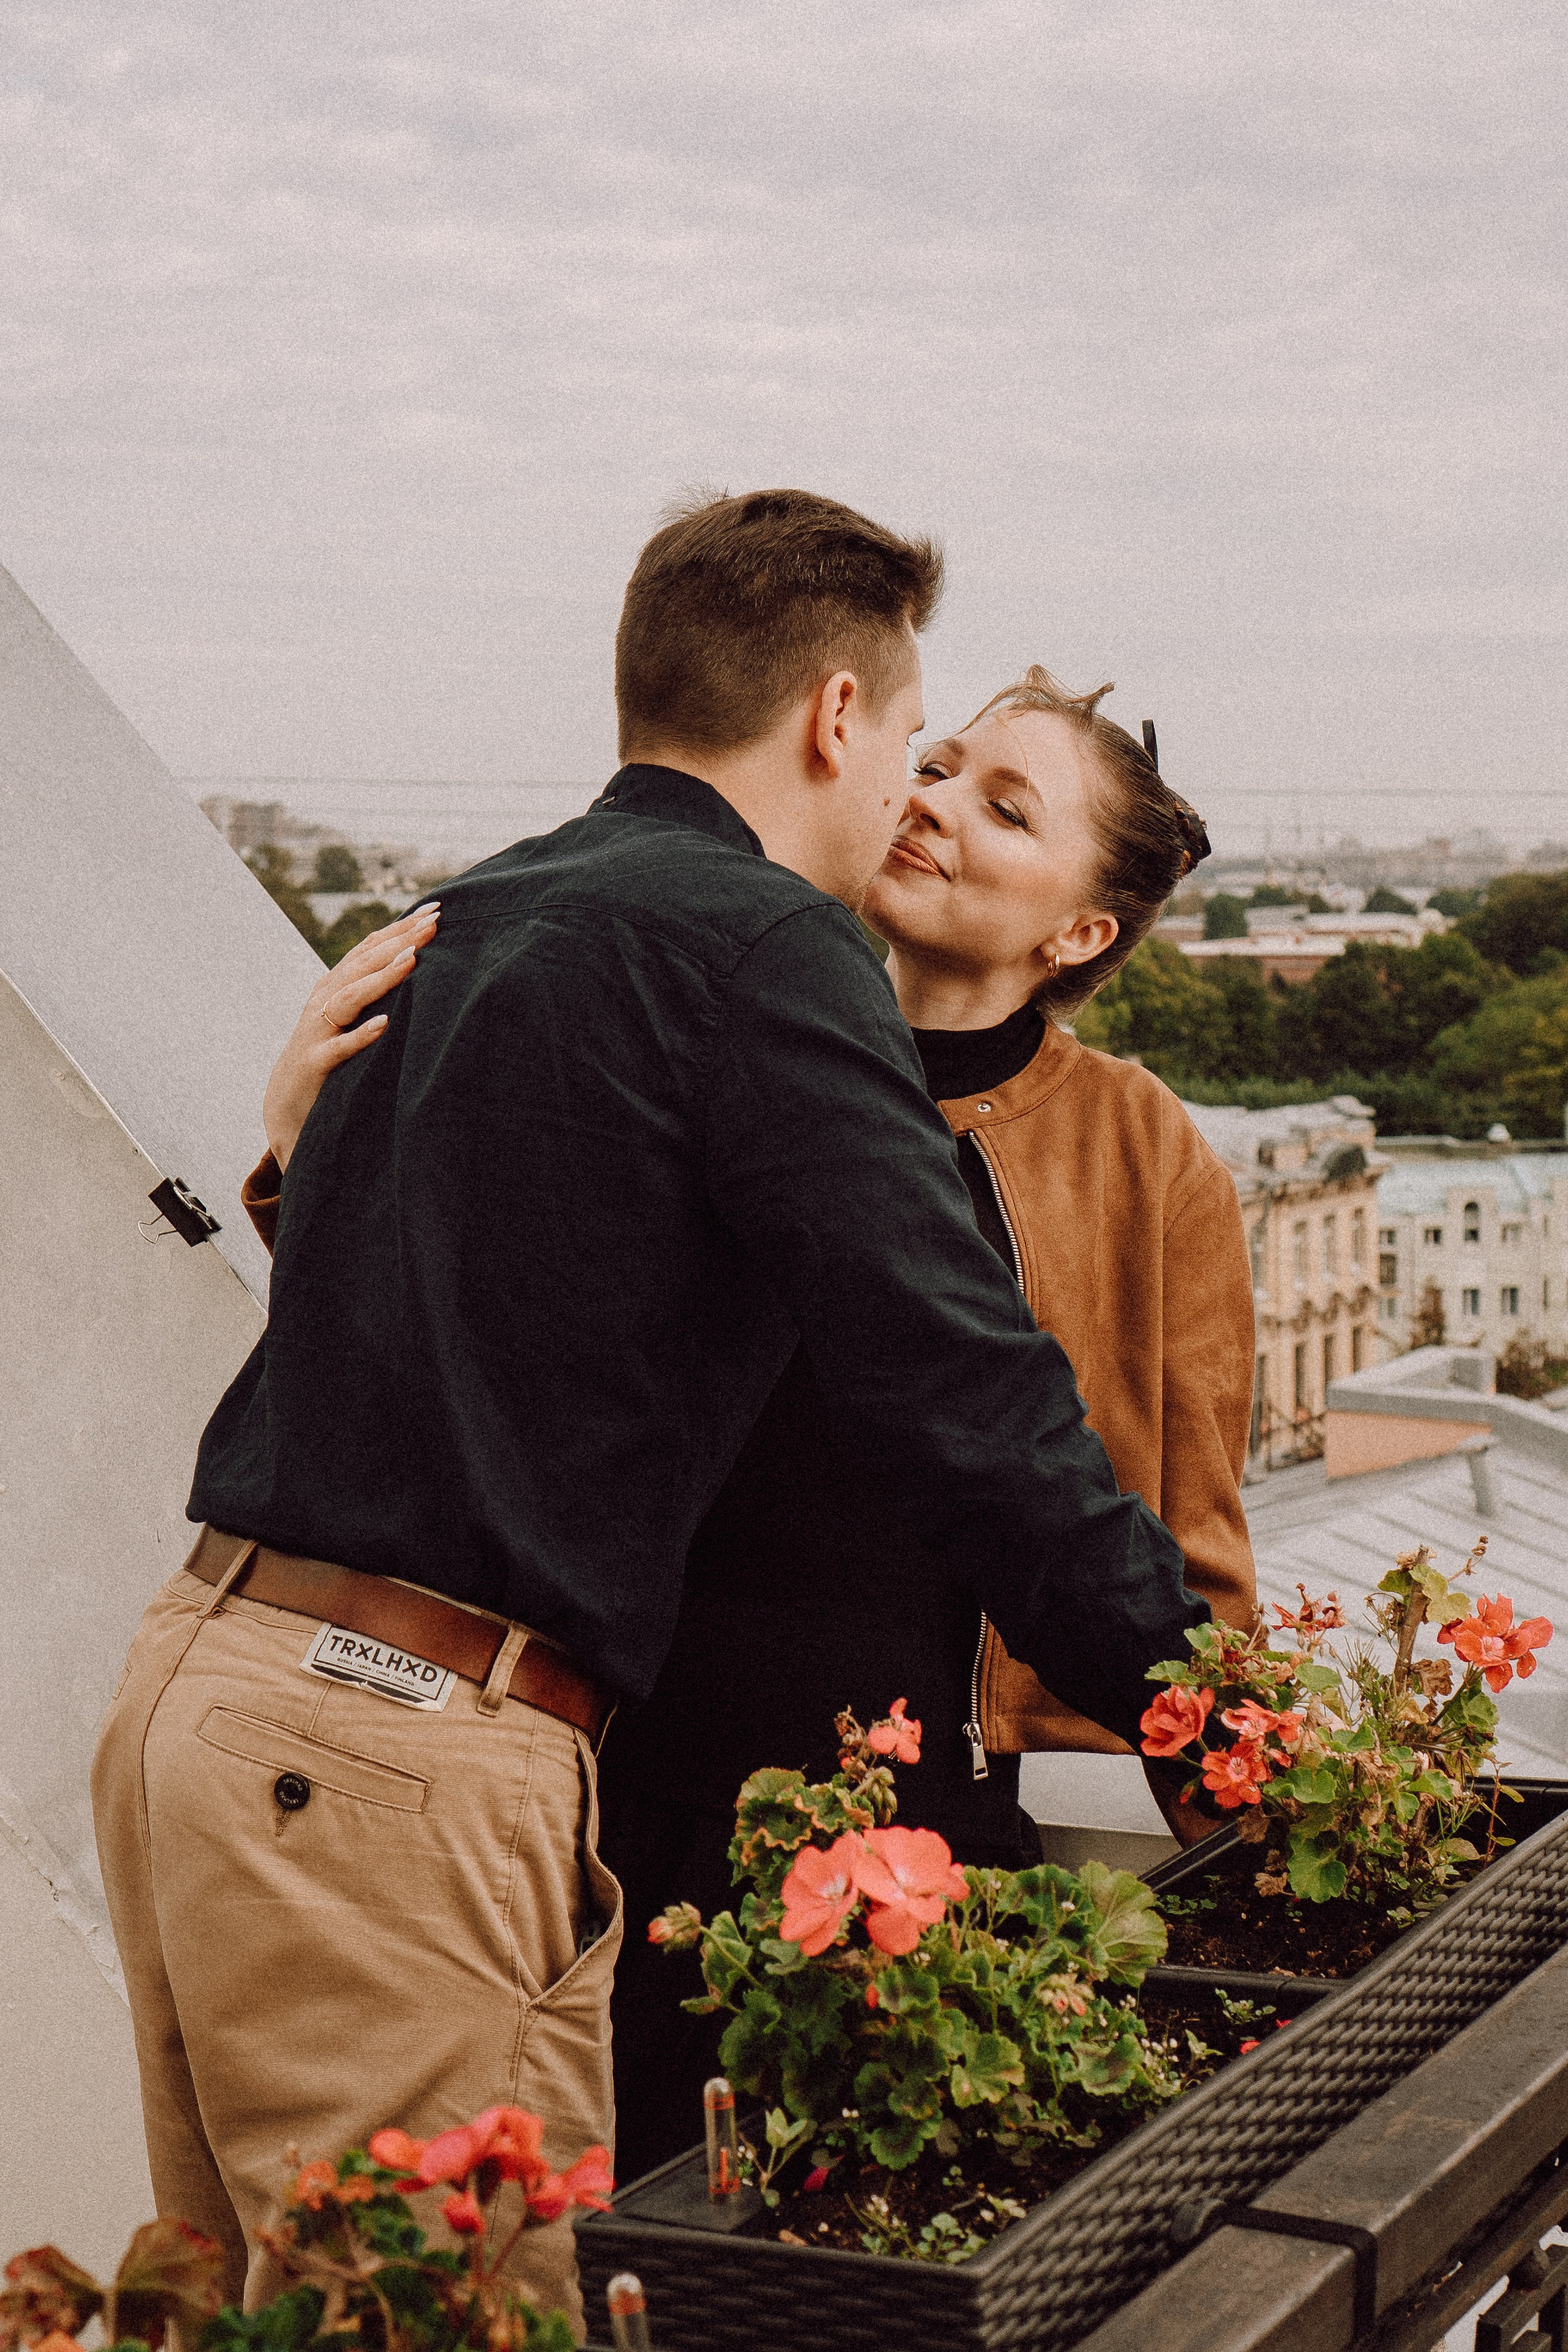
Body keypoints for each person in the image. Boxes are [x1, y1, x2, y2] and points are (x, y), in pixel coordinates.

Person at [92, 490, 1207, 2326]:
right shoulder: (769, 949)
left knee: (262, 2316)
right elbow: (966, 1394)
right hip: (398, 1749)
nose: (907, 793)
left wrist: (293, 1165)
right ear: (835, 717)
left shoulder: (467, 912)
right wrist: (1216, 1723)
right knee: (468, 2319)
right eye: (913, 739)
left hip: (198, 1712)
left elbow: (478, 1315)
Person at [246, 664, 1256, 2185]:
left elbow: (1183, 1516)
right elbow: (487, 1334)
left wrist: (1252, 1805)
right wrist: (301, 1161)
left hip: (917, 1821)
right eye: (941, 763)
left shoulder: (1139, 1149)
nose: (931, 806)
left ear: (1080, 933)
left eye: (1004, 806)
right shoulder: (717, 1012)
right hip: (619, 1795)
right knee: (620, 2247)